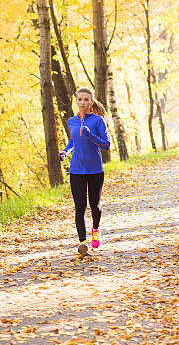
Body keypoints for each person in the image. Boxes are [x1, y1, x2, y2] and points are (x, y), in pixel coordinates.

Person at [59, 87, 110, 257]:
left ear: (91, 102)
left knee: (94, 206)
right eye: (80, 99)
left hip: (95, 169)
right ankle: (82, 243)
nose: (82, 102)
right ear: (76, 101)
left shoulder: (98, 121)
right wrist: (65, 152)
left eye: (86, 100)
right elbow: (73, 141)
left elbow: (106, 144)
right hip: (76, 170)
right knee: (79, 207)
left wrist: (91, 136)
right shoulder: (71, 121)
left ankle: (96, 230)